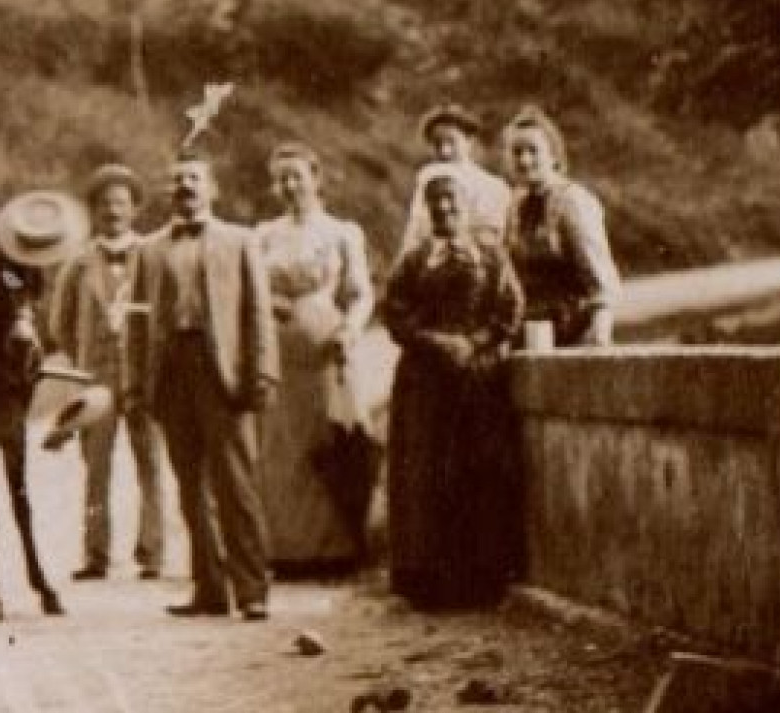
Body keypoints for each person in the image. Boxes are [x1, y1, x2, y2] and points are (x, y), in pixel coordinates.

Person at [126, 156, 277, 621]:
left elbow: (257, 312)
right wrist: (134, 384)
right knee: (189, 485)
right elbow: (137, 322)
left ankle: (252, 591)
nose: (184, 186)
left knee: (235, 484)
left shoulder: (240, 241)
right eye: (175, 180)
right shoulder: (148, 250)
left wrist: (262, 373)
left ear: (212, 188)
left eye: (193, 178)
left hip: (222, 372)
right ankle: (209, 589)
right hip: (171, 371)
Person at [382, 168, 525, 611]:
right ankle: (429, 583)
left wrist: (475, 343)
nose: (445, 212)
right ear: (428, 211)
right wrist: (434, 341)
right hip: (423, 384)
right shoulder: (414, 260)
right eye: (437, 205)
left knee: (474, 472)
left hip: (474, 380)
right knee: (425, 475)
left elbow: (510, 311)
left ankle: (479, 581)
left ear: (466, 208)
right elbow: (394, 313)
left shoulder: (491, 257)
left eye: (453, 204)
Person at [253, 142, 375, 577]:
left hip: (325, 344)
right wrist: (270, 302)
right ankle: (286, 551)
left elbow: (361, 294)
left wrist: (350, 329)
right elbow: (251, 290)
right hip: (278, 348)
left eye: (297, 177)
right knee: (282, 446)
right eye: (281, 178)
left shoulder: (343, 232)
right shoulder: (265, 233)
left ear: (316, 177)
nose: (289, 186)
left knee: (329, 440)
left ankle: (336, 550)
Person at [49, 164, 164, 581]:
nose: (113, 211)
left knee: (149, 461)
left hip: (144, 374)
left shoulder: (153, 255)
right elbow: (59, 323)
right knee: (95, 465)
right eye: (104, 203)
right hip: (96, 378)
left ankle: (152, 552)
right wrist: (84, 356)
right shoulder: (78, 264)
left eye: (121, 202)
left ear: (134, 209)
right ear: (94, 211)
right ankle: (96, 553)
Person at [501, 105, 623, 347]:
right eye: (517, 152)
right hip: (528, 330)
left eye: (533, 151)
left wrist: (599, 332)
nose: (525, 160)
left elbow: (600, 278)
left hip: (572, 329)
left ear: (554, 156)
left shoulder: (573, 202)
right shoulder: (514, 205)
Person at [398, 104, 511, 258]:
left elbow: (492, 237)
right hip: (429, 259)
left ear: (469, 140)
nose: (445, 151)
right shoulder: (427, 176)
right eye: (438, 144)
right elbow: (415, 229)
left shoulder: (492, 185)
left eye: (452, 142)